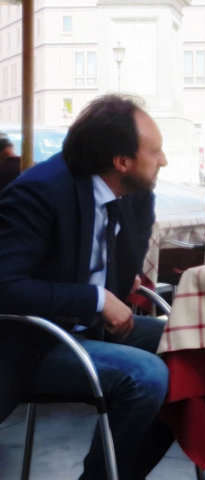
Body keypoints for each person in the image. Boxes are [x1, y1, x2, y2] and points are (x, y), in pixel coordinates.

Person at [0, 95, 173, 479]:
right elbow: (5, 286)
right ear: (121, 161)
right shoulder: (40, 192)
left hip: (88, 332)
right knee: (147, 375)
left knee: (194, 349)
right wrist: (95, 299)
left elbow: (124, 271)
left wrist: (105, 294)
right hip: (32, 343)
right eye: (155, 151)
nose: (163, 161)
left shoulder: (133, 194)